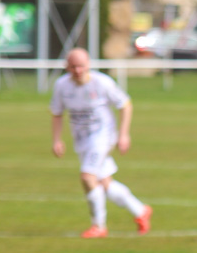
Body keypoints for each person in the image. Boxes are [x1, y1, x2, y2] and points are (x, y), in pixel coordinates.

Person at [51, 48, 152, 238]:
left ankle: (99, 226)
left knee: (87, 177)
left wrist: (123, 135)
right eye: (73, 66)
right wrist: (56, 140)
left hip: (102, 137)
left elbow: (125, 105)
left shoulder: (102, 83)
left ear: (88, 65)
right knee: (104, 182)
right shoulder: (61, 86)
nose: (78, 70)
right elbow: (57, 113)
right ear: (67, 67)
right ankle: (140, 211)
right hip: (82, 141)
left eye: (81, 66)